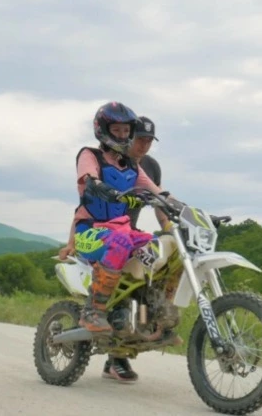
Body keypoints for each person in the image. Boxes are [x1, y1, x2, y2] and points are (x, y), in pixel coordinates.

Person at [58, 103, 174, 383]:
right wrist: (102, 188)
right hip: (91, 231)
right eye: (117, 130)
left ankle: (155, 315)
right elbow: (89, 178)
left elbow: (158, 193)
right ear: (103, 130)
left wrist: (181, 209)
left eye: (126, 131)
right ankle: (93, 311)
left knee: (159, 249)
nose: (122, 135)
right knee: (121, 241)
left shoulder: (134, 166)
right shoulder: (90, 155)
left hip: (122, 231)